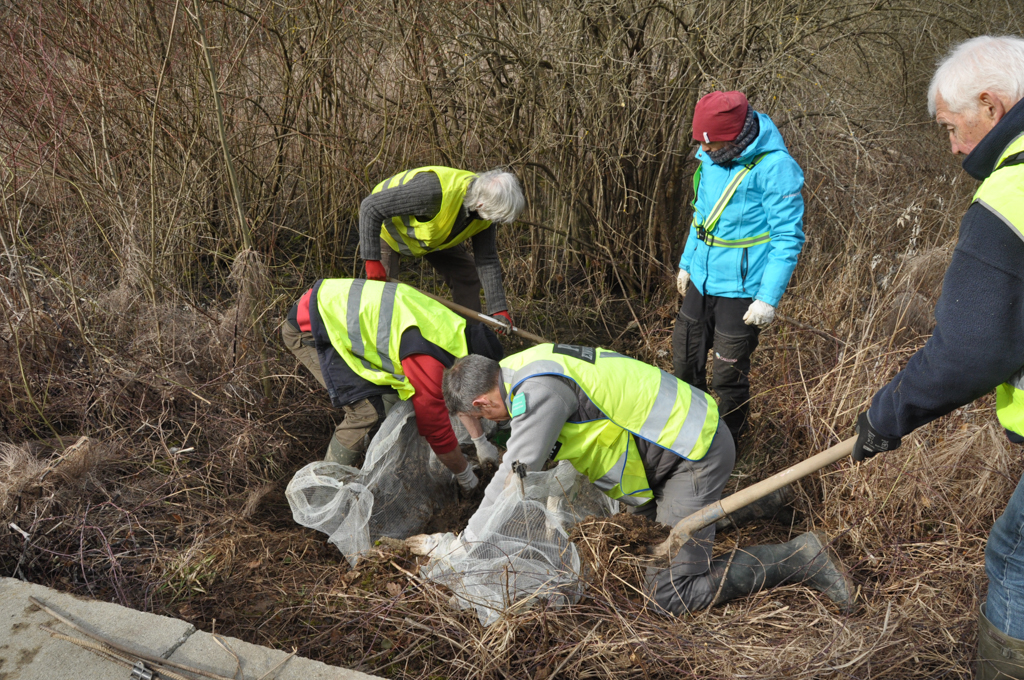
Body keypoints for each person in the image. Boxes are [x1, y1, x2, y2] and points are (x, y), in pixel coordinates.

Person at [847, 36, 1024, 678]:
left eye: (953, 129)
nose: (951, 147)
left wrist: (887, 417)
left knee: (1014, 555)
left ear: (993, 105)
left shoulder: (1009, 196)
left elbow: (970, 349)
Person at [441, 343, 853, 615]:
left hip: (691, 455)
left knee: (669, 593)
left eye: (481, 418)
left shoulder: (537, 394)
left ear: (481, 401)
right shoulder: (519, 365)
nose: (490, 426)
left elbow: (514, 477)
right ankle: (768, 502)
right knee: (644, 539)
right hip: (679, 441)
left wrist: (468, 546)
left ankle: (802, 557)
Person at [282, 278, 504, 491]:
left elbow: (457, 393)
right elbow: (437, 432)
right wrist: (465, 476)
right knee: (367, 411)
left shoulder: (452, 329)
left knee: (391, 400)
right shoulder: (428, 360)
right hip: (312, 326)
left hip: (336, 309)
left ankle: (373, 463)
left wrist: (479, 441)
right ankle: (326, 489)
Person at [673, 91, 806, 445]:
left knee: (727, 378)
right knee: (686, 361)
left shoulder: (776, 168)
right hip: (701, 279)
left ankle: (729, 446)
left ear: (733, 137)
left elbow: (787, 237)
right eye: (704, 144)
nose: (706, 151)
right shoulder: (709, 154)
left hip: (742, 290)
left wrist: (768, 298)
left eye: (713, 144)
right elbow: (700, 217)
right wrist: (686, 264)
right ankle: (688, 437)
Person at [358, 166, 525, 327]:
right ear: (480, 205)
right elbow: (369, 208)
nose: (494, 223)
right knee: (383, 293)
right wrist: (372, 260)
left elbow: (487, 259)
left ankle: (471, 340)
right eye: (496, 218)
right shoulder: (432, 193)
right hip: (387, 230)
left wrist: (498, 308)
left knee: (466, 275)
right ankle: (376, 346)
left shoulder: (486, 212)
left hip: (431, 236)